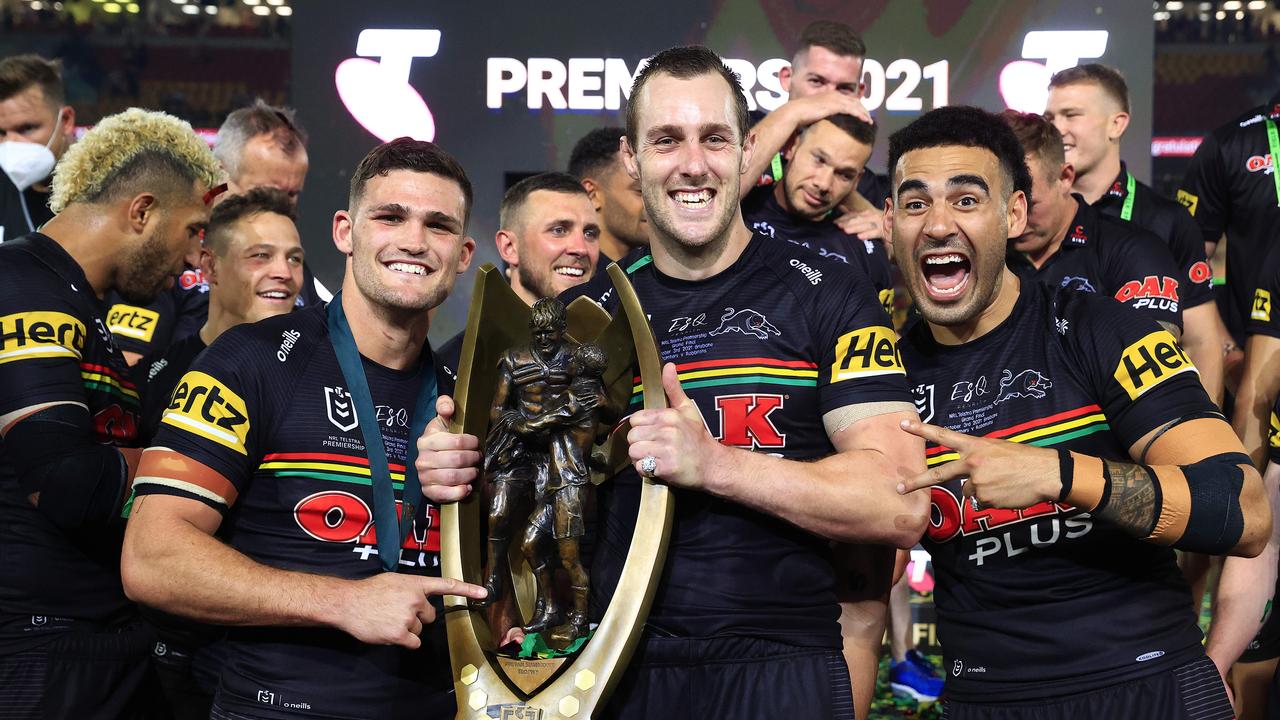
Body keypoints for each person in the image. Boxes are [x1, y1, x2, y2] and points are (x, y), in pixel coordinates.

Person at [418, 45, 928, 719]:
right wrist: (462, 470)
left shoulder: (828, 290)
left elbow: (897, 501)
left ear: (749, 150)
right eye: (666, 140)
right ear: (631, 159)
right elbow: (528, 515)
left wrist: (716, 465)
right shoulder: (580, 319)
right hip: (615, 676)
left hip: (780, 671)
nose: (693, 164)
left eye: (715, 138)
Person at [888, 105, 1268, 719]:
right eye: (914, 203)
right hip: (987, 700)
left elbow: (1242, 510)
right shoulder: (886, 381)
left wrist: (1058, 475)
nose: (937, 225)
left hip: (1150, 683)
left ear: (1013, 214)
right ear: (889, 223)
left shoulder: (1101, 329)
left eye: (965, 200)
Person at [120, 138, 488, 719]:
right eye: (390, 216)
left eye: (438, 226)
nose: (414, 241)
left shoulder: (467, 396)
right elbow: (151, 558)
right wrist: (343, 602)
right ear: (345, 232)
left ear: (465, 253)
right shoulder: (250, 361)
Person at [0, 107, 220, 718]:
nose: (196, 258)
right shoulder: (21, 288)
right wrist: (198, 470)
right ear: (143, 211)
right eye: (193, 230)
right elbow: (62, 481)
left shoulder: (77, 298)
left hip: (91, 639)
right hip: (37, 652)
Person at [1045, 64, 1225, 405]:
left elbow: (1201, 342)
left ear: (1117, 123)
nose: (1056, 130)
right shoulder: (1027, 219)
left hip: (1140, 415)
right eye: (1049, 117)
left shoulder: (1166, 219)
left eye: (1071, 115)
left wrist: (1208, 444)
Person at [107, 99, 312, 365]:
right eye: (266, 192)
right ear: (220, 175)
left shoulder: (292, 267)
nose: (281, 206)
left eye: (293, 194)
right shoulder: (168, 254)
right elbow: (125, 373)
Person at [1002, 110, 1185, 333]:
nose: (1014, 221)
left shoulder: (1133, 251)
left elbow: (1153, 354)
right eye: (1004, 207)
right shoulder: (982, 256)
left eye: (1030, 204)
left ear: (1065, 178)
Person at [436, 172, 600, 379]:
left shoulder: (614, 348)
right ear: (509, 247)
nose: (581, 248)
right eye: (558, 230)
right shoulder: (460, 365)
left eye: (590, 233)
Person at [741, 113, 894, 316]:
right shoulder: (738, 210)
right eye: (819, 160)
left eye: (844, 175)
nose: (823, 184)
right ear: (792, 147)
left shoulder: (864, 249)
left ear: (856, 181)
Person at [0, 54, 76, 243]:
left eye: (27, 128)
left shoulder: (107, 194)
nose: (10, 142)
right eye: (1, 132)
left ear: (65, 121)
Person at [569, 126, 649, 263]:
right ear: (592, 195)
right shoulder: (572, 277)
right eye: (640, 191)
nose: (653, 203)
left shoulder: (653, 276)